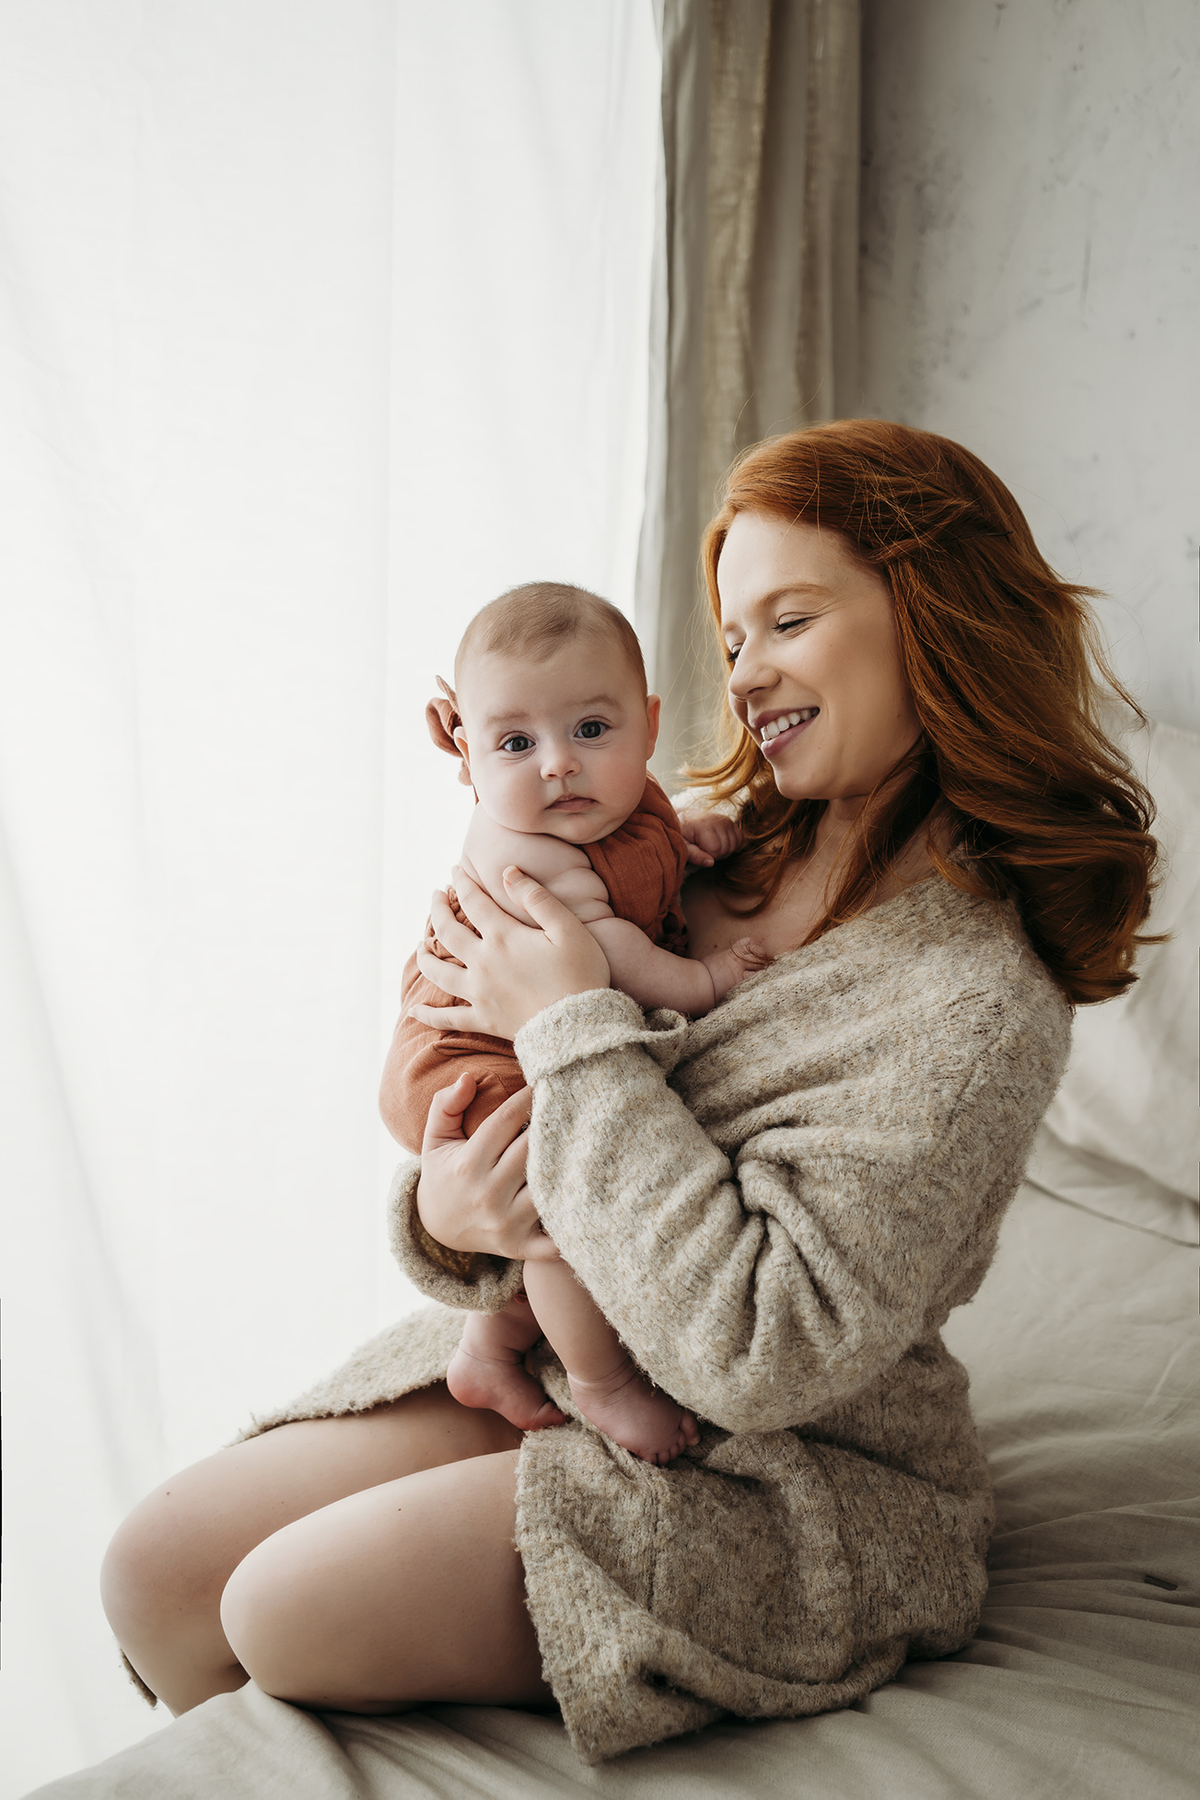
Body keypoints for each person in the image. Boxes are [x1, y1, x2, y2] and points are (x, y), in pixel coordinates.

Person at [100, 421, 1158, 1765]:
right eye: (732, 636)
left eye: (789, 620)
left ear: (933, 616)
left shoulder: (973, 1005)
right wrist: (447, 1212)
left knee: (284, 1609)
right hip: (564, 1351)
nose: (745, 672)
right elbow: (498, 1082)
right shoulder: (697, 846)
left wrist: (571, 1024)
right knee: (157, 1571)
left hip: (785, 1468)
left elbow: (764, 1348)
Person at [394, 580, 766, 1462]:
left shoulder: (621, 803)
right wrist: (707, 978)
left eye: (591, 730)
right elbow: (607, 955)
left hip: (523, 1035)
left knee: (555, 1194)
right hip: (468, 1051)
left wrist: (687, 839)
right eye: (516, 743)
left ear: (648, 725)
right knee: (562, 1208)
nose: (558, 764)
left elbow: (638, 862)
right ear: (469, 756)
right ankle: (603, 1384)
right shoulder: (524, 848)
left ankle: (488, 1351)